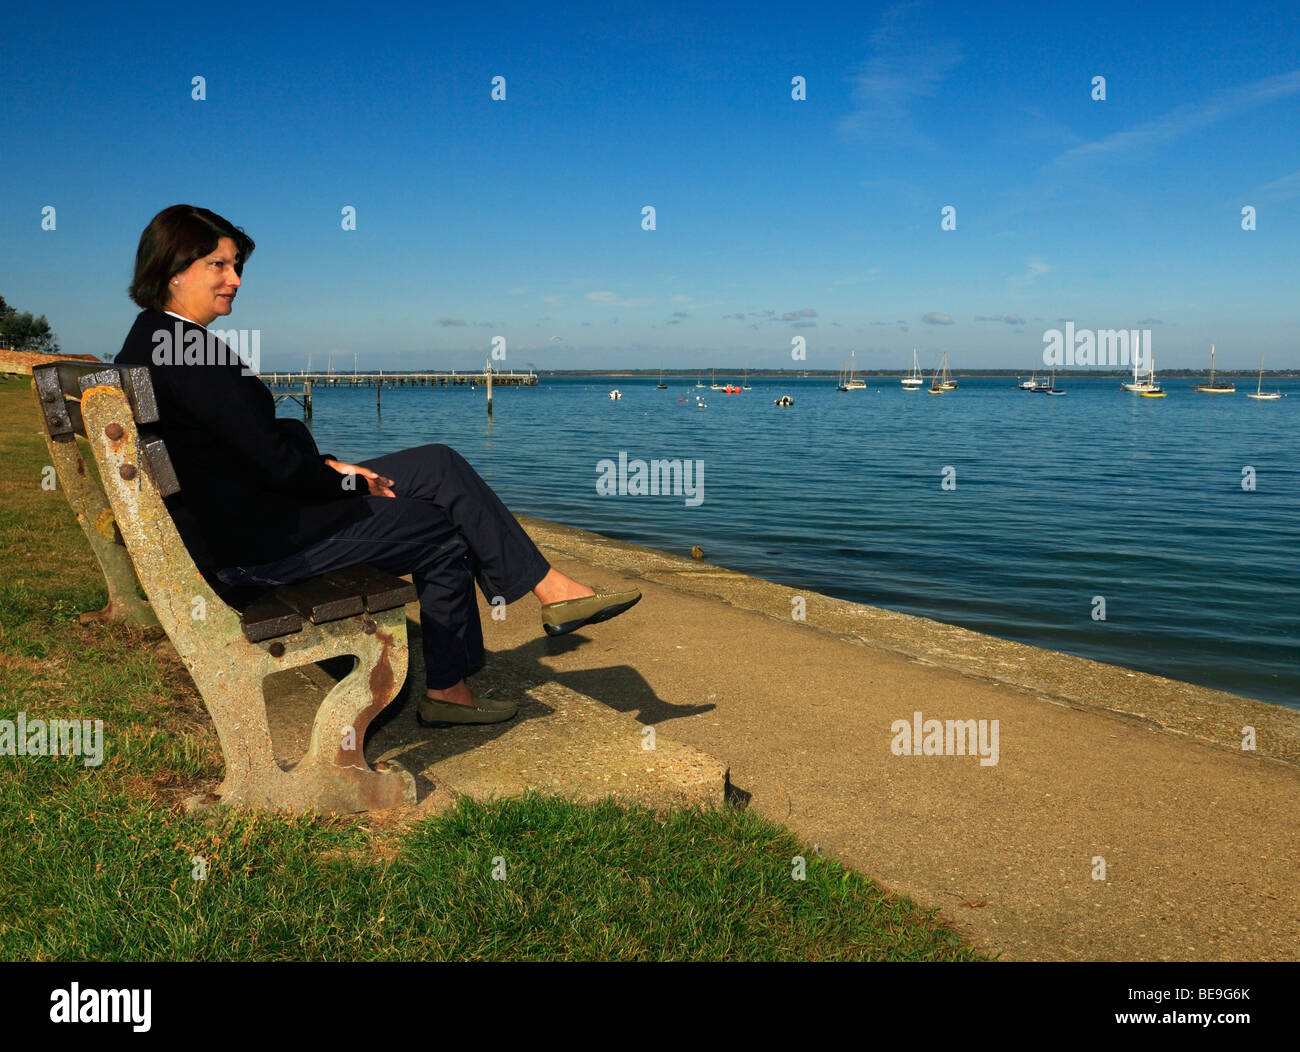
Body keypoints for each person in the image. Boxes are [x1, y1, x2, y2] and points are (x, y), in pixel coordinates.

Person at [115, 204, 640, 726]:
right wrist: (347, 484)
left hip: (252, 517)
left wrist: (331, 465)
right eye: (219, 266)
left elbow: (243, 450)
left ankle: (550, 589)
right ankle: (450, 691)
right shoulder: (186, 352)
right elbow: (270, 467)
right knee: (442, 529)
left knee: (438, 463)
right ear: (173, 270)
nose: (234, 280)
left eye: (236, 267)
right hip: (261, 544)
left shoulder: (161, 340)